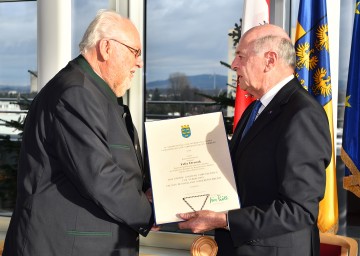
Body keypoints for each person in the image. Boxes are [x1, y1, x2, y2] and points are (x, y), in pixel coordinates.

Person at [3, 10, 154, 256]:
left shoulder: (91, 92)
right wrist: (150, 213)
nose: (140, 62)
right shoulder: (76, 93)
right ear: (106, 48)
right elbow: (100, 177)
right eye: (135, 52)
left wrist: (147, 192)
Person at [178, 24, 332, 256]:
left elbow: (299, 210)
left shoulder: (302, 113)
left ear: (270, 60)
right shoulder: (255, 110)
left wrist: (224, 220)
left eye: (241, 56)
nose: (234, 65)